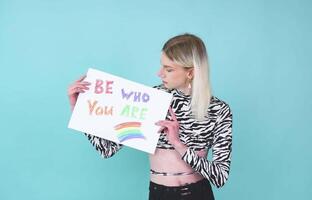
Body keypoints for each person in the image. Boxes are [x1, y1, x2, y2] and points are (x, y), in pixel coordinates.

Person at [67, 33, 233, 200]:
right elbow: (107, 148)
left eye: (169, 69)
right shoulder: (152, 98)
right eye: (162, 66)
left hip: (195, 194)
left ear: (190, 73)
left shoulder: (218, 110)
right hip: (157, 194)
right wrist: (78, 110)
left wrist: (177, 143)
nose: (159, 73)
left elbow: (220, 176)